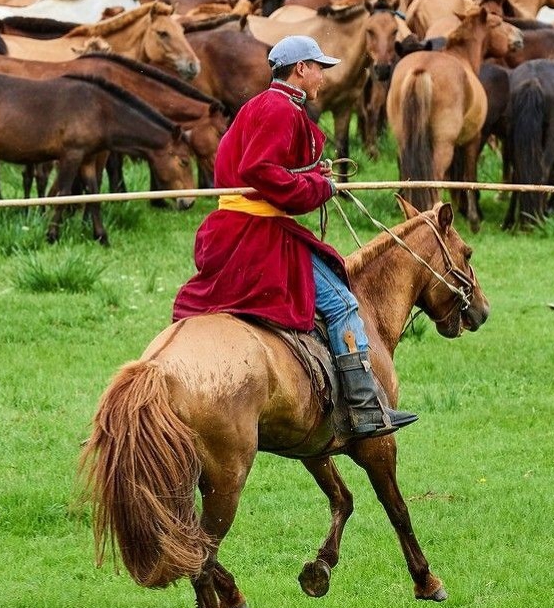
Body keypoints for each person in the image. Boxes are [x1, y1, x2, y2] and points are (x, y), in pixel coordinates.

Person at [171, 34, 417, 438]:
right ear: (300, 68)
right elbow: (261, 170)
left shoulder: (261, 106)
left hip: (238, 228)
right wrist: (319, 188)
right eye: (319, 67)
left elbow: (268, 168)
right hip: (259, 235)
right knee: (341, 303)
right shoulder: (279, 110)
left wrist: (307, 176)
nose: (323, 76)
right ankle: (364, 409)